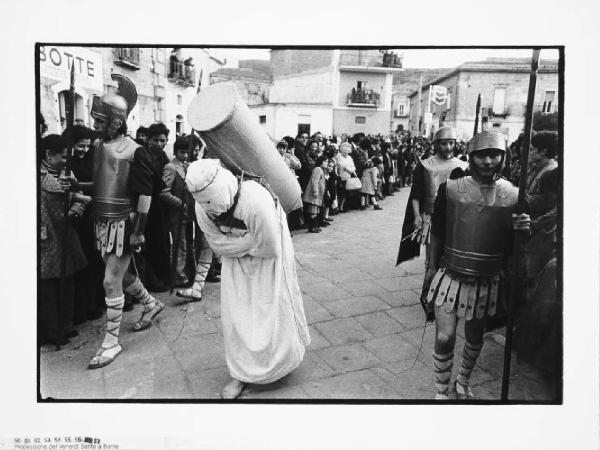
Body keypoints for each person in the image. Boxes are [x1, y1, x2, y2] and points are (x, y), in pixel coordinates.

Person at [185, 159, 310, 399]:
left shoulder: (256, 200)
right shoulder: (202, 207)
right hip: (236, 262)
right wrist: (247, 240)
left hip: (270, 262)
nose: (211, 208)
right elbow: (217, 245)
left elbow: (269, 248)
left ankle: (281, 362)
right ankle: (241, 373)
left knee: (272, 308)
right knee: (237, 314)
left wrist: (238, 242)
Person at [423, 130, 531, 399]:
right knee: (445, 337)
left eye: (494, 154)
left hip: (488, 279)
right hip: (451, 276)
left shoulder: (515, 195)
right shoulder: (450, 189)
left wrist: (524, 228)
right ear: (471, 157)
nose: (488, 161)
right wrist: (430, 268)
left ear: (503, 157)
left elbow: (517, 245)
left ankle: (462, 382)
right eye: (481, 155)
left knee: (474, 336)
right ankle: (441, 391)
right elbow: (436, 233)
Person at [87, 74, 165, 369]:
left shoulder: (135, 150)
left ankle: (111, 342)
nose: (94, 125)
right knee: (123, 276)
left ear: (116, 121)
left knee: (110, 280)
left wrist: (138, 232)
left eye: (99, 120)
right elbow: (99, 183)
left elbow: (146, 196)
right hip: (103, 222)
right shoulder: (99, 145)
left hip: (124, 224)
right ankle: (151, 304)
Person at [396, 127, 468, 319]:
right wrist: (417, 216)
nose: (448, 146)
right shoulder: (425, 165)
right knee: (432, 260)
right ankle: (430, 299)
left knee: (452, 258)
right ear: (437, 144)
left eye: (451, 142)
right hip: (432, 218)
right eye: (444, 143)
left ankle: (449, 298)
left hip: (455, 218)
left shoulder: (462, 165)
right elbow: (416, 194)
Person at [39, 135, 90, 346]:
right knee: (49, 290)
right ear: (49, 155)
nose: (66, 161)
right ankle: (53, 331)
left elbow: (78, 195)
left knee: (68, 283)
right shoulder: (36, 177)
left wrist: (76, 210)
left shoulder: (66, 173)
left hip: (67, 234)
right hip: (47, 239)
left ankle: (66, 324)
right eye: (62, 157)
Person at [161, 136, 195, 287]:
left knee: (187, 244)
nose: (186, 156)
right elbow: (164, 192)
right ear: (175, 152)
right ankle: (178, 276)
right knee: (179, 245)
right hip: (177, 214)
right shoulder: (170, 167)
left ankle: (187, 273)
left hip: (188, 214)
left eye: (188, 152)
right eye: (182, 152)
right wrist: (180, 204)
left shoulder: (187, 165)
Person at [303, 155, 328, 233]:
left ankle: (315, 225)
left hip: (317, 194)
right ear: (321, 162)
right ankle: (312, 227)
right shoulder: (317, 169)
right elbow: (314, 181)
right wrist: (315, 191)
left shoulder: (321, 170)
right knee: (313, 210)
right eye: (325, 162)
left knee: (316, 210)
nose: (326, 163)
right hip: (313, 194)